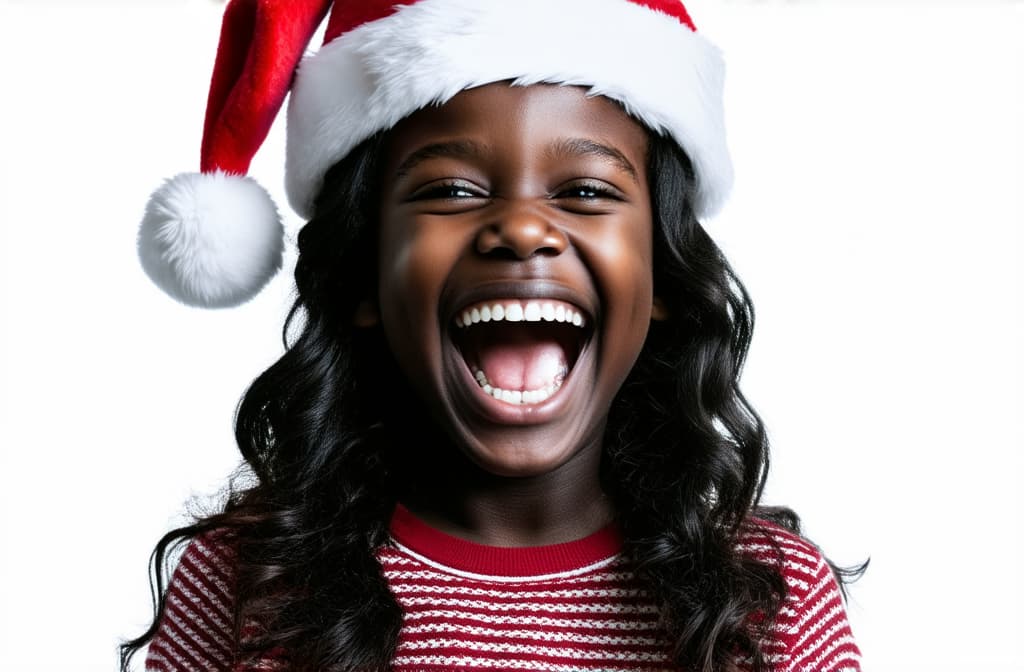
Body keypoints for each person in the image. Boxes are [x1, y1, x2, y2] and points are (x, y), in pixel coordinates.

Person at [124, 1, 863, 670]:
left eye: (585, 192)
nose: (521, 229)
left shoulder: (775, 607)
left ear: (663, 279)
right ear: (364, 279)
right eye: (450, 190)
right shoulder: (240, 585)